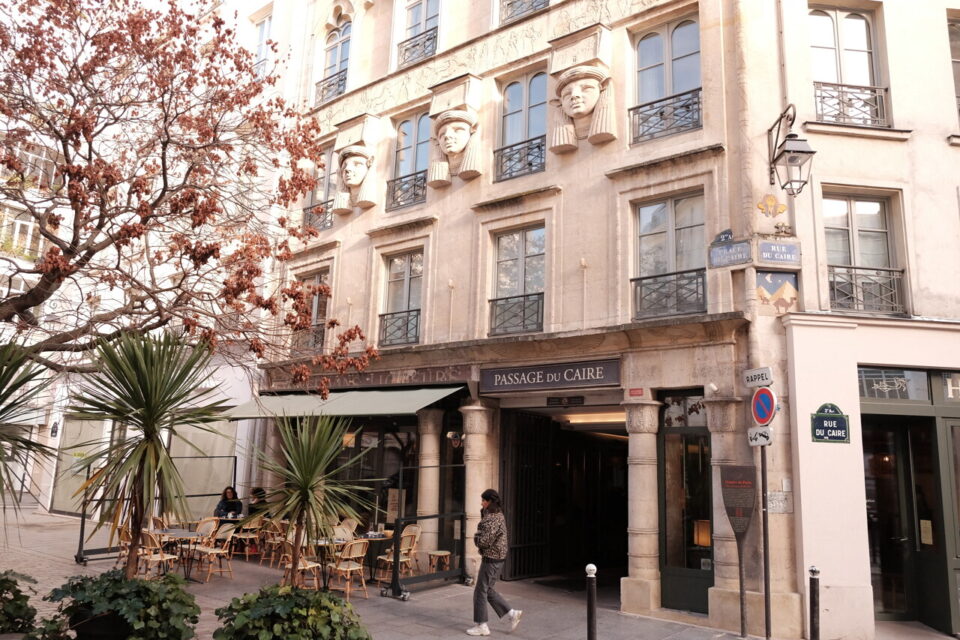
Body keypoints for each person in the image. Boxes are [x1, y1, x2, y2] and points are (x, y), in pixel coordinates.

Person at [467, 489, 522, 636]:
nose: (481, 503)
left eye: (483, 500)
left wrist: (476, 537)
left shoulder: (492, 518)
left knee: (480, 591)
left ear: (490, 501)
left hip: (492, 558)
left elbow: (484, 541)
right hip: (497, 557)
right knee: (488, 589)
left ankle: (482, 625)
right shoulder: (497, 514)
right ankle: (512, 614)